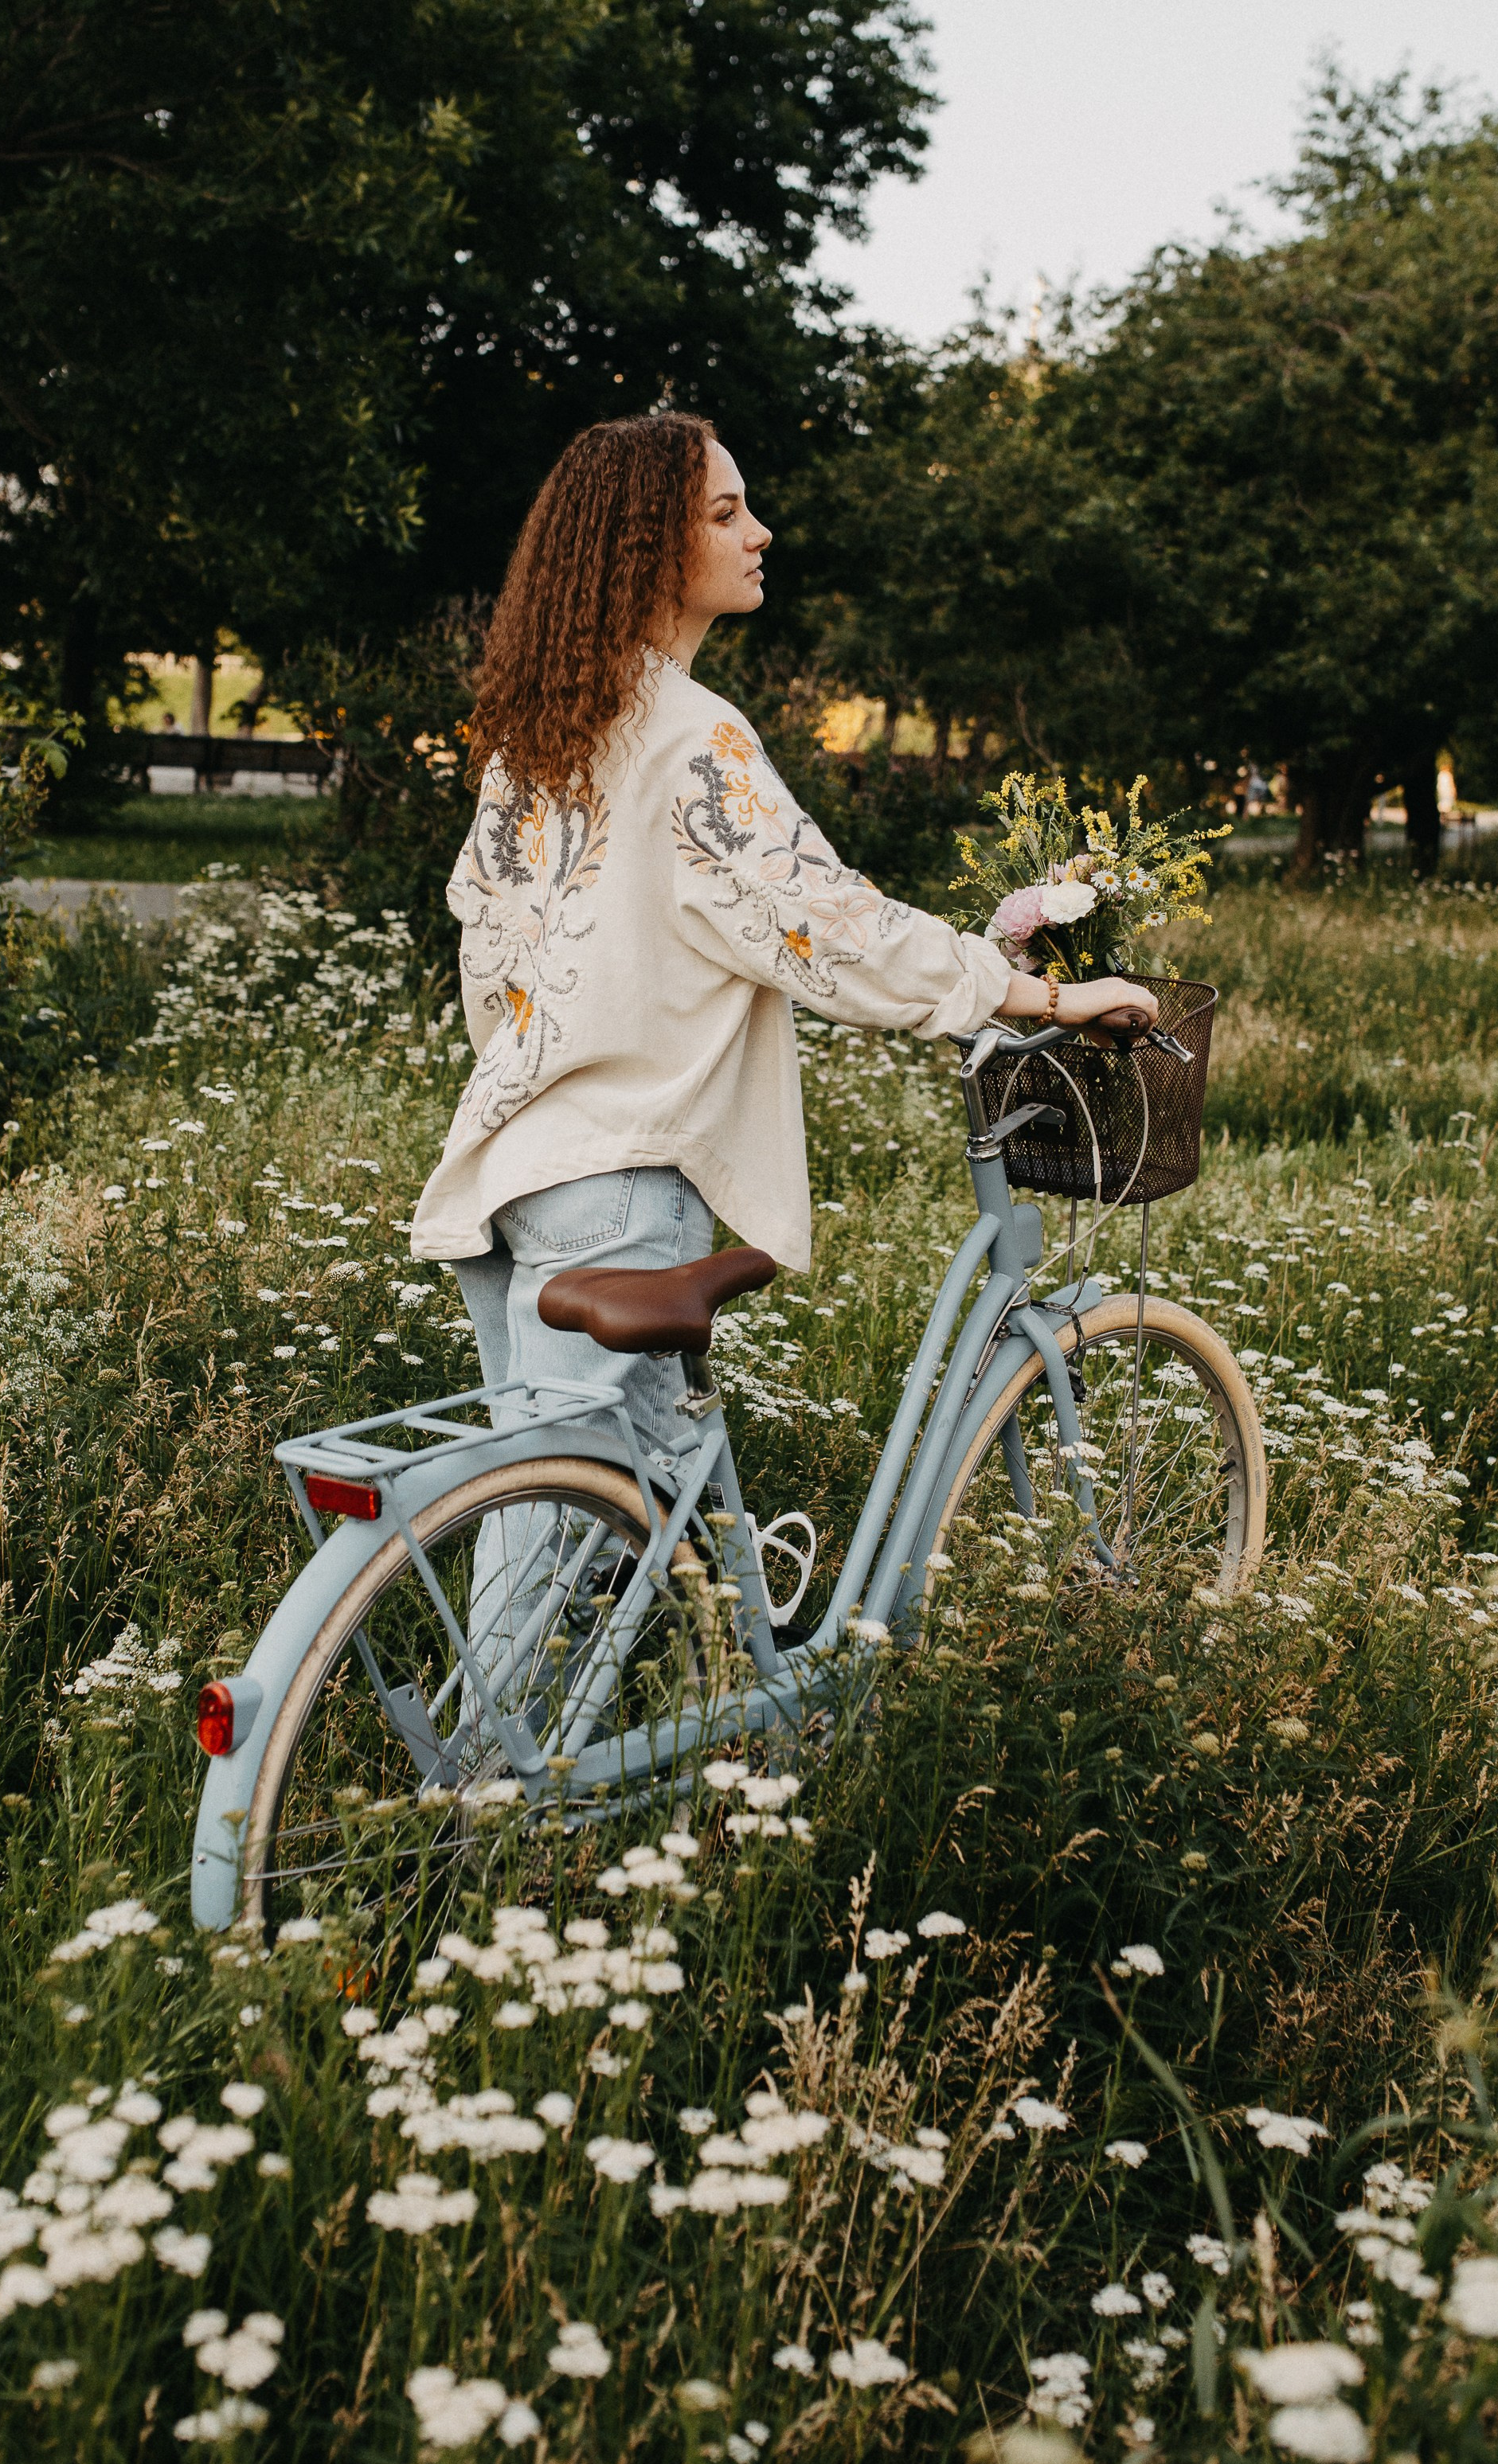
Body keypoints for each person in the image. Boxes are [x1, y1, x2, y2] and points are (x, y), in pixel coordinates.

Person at [409, 411, 1156, 1670]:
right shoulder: (695, 737)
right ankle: (482, 1807)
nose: (760, 531)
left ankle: (619, 1757)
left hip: (515, 1175)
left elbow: (487, 944)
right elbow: (832, 931)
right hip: (617, 1190)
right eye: (723, 513)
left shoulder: (543, 736)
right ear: (650, 547)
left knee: (576, 1519)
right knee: (554, 1533)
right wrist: (1039, 996)